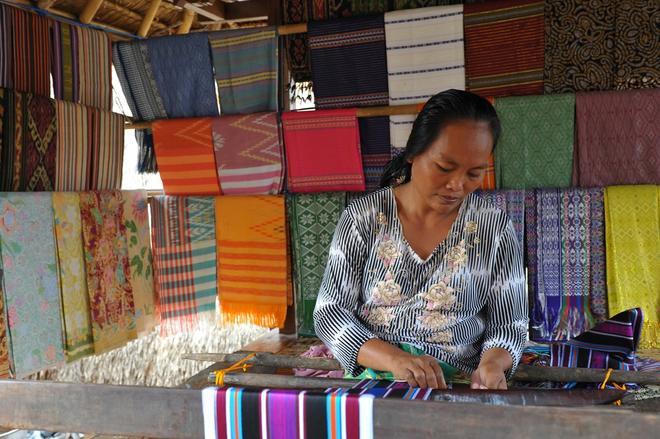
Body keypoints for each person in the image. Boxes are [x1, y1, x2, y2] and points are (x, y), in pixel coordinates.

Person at [313, 89, 528, 390]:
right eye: (444, 167)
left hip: (459, 385)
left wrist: (491, 364)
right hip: (376, 382)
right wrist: (395, 360)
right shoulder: (363, 217)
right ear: (413, 151)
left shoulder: (493, 227)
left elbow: (510, 325)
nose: (457, 185)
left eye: (474, 173)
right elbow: (330, 313)